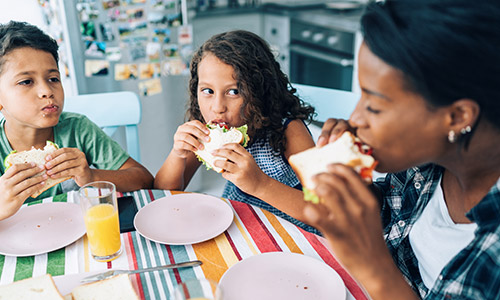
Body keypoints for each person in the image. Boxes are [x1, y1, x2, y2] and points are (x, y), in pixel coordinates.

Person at [303, 0, 500, 299]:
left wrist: (374, 268)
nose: (355, 119)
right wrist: (357, 190)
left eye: (374, 105)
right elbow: (391, 214)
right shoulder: (426, 162)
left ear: (458, 117)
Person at [154, 30, 319, 233]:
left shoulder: (290, 131)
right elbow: (161, 193)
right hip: (238, 229)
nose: (217, 107)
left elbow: (324, 209)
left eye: (234, 92)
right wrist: (177, 155)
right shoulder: (207, 132)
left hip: (292, 238)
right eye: (208, 91)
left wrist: (260, 184)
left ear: (260, 91)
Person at [0, 21, 154, 221]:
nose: (47, 91)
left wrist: (91, 176)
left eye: (53, 78)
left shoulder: (78, 129)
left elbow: (144, 180)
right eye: (26, 82)